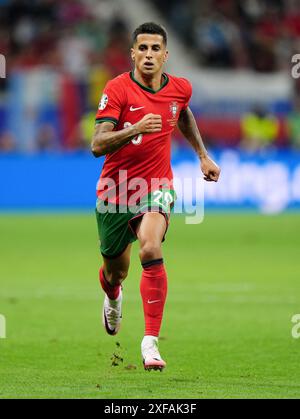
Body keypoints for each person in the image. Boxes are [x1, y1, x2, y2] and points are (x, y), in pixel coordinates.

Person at [91, 22, 220, 371]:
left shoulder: (180, 89)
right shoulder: (117, 89)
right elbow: (97, 145)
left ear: (166, 54)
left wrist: (202, 155)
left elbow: (182, 113)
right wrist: (134, 128)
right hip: (115, 192)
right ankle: (113, 296)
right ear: (133, 53)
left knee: (150, 245)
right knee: (115, 272)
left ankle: (150, 343)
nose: (149, 55)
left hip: (156, 186)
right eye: (142, 49)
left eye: (155, 49)